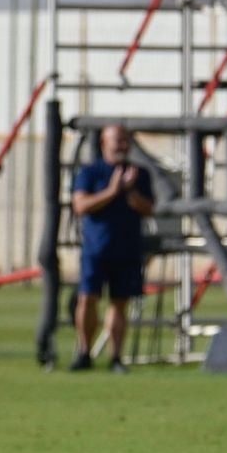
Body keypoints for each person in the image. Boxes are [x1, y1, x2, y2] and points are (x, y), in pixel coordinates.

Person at [68, 123, 154, 372]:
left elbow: (148, 208)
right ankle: (84, 352)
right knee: (88, 299)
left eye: (125, 140)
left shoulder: (139, 174)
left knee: (120, 302)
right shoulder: (90, 172)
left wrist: (129, 192)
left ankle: (116, 357)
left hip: (127, 248)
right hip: (96, 248)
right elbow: (81, 206)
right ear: (104, 143)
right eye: (117, 140)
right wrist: (111, 191)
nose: (122, 145)